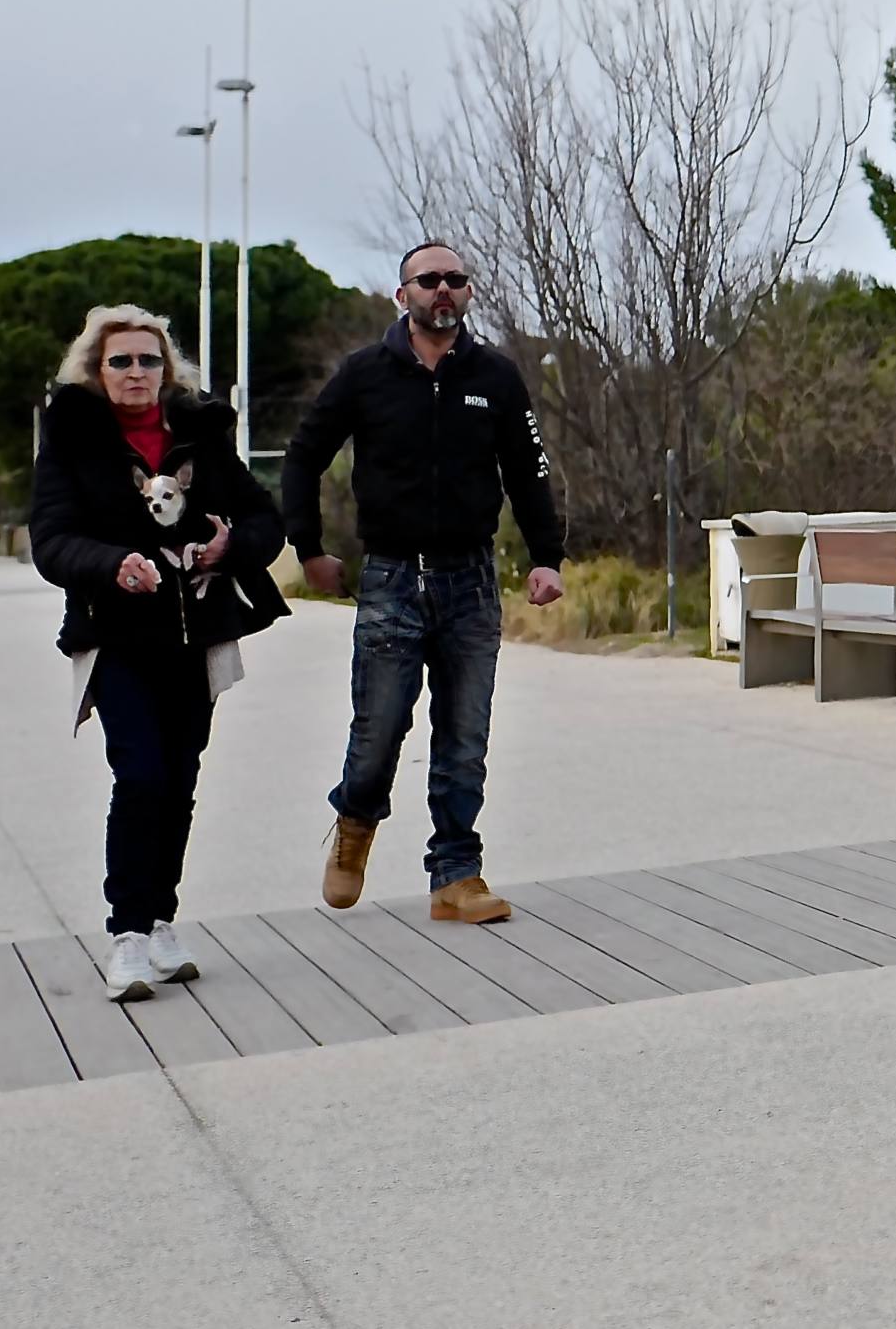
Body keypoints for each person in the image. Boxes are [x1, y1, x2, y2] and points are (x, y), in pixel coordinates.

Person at [282, 243, 566, 924]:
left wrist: (547, 556)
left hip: (471, 581)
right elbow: (302, 456)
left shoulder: (494, 376)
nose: (443, 289)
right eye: (429, 279)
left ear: (468, 294)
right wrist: (310, 548)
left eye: (456, 280)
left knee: (464, 737)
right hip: (390, 580)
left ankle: (456, 876)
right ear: (402, 292)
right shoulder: (364, 375)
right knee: (378, 733)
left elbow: (528, 471)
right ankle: (354, 823)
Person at [28, 304, 290, 1001]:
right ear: (96, 369)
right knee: (140, 774)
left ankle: (163, 920)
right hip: (116, 640)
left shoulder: (201, 435)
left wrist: (231, 544)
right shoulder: (73, 439)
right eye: (121, 361)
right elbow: (51, 541)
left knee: (178, 779)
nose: (136, 372)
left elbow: (266, 518)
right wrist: (114, 562)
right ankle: (128, 935)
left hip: (193, 641)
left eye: (148, 359)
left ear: (166, 368)